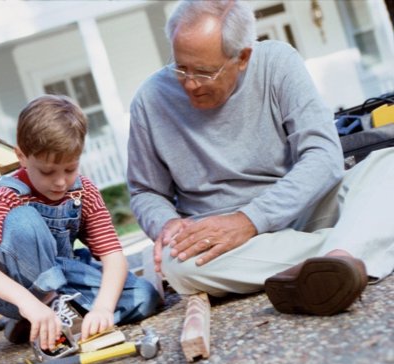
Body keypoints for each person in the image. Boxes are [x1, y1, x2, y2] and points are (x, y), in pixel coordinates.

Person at [128, 0, 393, 316]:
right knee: (178, 264)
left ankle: (339, 254)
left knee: (388, 163)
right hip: (223, 243)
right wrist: (167, 224)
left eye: (204, 72)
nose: (190, 83)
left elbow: (322, 155)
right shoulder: (149, 99)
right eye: (180, 67)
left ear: (242, 57)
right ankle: (352, 249)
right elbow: (146, 191)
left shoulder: (278, 62)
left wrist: (249, 220)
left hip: (302, 210)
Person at [0, 94, 161, 351]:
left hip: (64, 278)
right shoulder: (7, 195)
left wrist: (103, 309)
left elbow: (113, 257)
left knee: (144, 297)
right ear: (22, 156)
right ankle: (43, 311)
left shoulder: (84, 191)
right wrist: (27, 303)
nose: (61, 182)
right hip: (13, 290)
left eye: (70, 169)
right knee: (22, 220)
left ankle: (51, 321)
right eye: (47, 171)